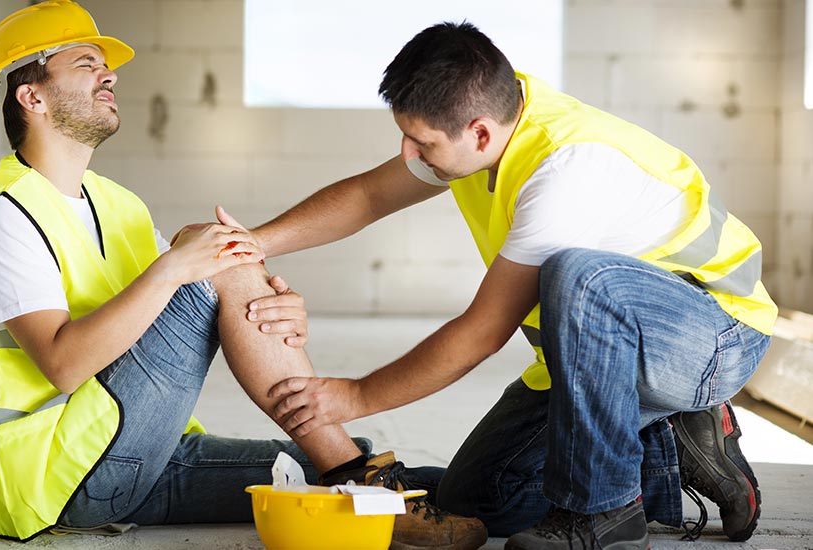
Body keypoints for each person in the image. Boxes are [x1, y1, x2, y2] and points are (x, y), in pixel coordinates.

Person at [0, 2, 488, 548]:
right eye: (86, 63)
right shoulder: (3, 209)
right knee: (218, 253)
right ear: (33, 96)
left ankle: (393, 480)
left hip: (145, 455)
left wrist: (270, 304)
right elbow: (63, 365)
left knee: (394, 477)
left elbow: (178, 308)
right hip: (64, 476)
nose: (109, 74)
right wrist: (191, 270)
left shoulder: (117, 204)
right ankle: (354, 471)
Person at [252, 22, 778, 550]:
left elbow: (482, 333)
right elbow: (368, 196)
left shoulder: (563, 170)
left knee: (580, 275)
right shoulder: (485, 124)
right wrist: (254, 243)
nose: (409, 155)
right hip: (611, 355)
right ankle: (673, 436)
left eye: (422, 143)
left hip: (714, 335)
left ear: (479, 132)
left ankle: (605, 513)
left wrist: (356, 396)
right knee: (479, 501)